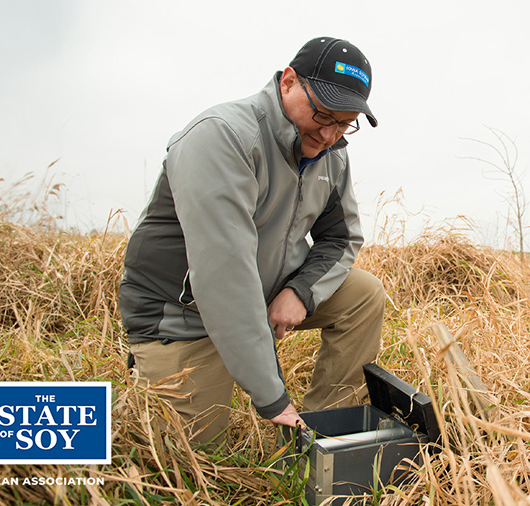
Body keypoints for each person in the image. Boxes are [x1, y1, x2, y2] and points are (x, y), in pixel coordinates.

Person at [118, 36, 385, 445]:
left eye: (345, 123)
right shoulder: (223, 137)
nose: (330, 135)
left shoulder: (332, 152)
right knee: (197, 462)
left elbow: (342, 238)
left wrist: (300, 291)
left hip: (263, 291)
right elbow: (224, 279)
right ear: (289, 82)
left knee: (363, 294)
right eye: (324, 114)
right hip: (184, 316)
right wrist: (273, 399)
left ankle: (321, 440)